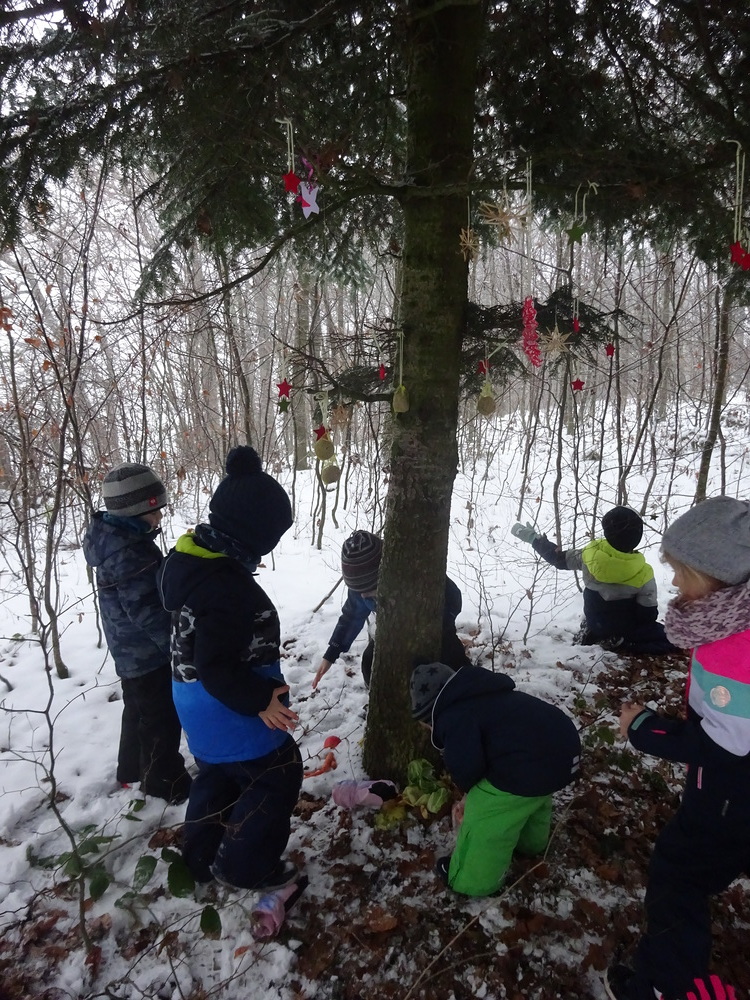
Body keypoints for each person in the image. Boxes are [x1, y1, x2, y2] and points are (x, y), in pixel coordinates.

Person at [606, 496, 750, 1000]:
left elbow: (727, 745)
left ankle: (668, 985)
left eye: (681, 573)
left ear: (714, 577)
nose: (673, 583)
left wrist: (644, 728)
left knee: (678, 874)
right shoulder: (731, 624)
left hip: (728, 795)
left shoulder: (735, 649)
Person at [157, 446, 302, 892]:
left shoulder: (189, 560)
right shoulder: (227, 589)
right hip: (229, 705)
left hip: (193, 703)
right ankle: (245, 867)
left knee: (217, 775)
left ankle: (200, 857)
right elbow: (217, 667)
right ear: (254, 535)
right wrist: (260, 700)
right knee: (276, 774)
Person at [410, 661, 581, 897]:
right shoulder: (488, 695)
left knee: (486, 814)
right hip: (563, 755)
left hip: (531, 766)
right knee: (530, 797)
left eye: (428, 727)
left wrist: (469, 795)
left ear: (432, 714)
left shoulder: (454, 716)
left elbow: (465, 765)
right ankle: (530, 843)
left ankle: (471, 881)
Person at [83, 463, 192, 804]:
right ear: (134, 510)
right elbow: (147, 610)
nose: (159, 517)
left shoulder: (116, 540)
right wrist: (176, 647)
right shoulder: (130, 553)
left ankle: (131, 769)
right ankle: (164, 783)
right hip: (146, 652)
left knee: (138, 709)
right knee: (160, 718)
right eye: (155, 510)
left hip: (128, 648)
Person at [313, 530, 471, 689]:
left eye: (370, 590)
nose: (363, 595)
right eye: (358, 591)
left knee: (450, 662)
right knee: (370, 661)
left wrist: (436, 627)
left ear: (385, 576)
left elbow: (453, 598)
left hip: (434, 629)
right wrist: (332, 653)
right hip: (390, 633)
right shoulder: (361, 588)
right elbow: (351, 617)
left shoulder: (416, 575)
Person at [511, 506, 678, 655]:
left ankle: (597, 633)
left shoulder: (589, 555)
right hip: (624, 627)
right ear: (637, 538)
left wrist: (533, 538)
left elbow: (558, 559)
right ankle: (624, 643)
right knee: (672, 638)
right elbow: (647, 615)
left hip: (595, 621)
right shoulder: (644, 572)